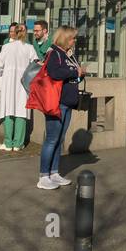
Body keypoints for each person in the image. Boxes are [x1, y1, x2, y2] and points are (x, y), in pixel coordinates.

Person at [32, 26, 83, 190]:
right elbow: (55, 73)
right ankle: (43, 176)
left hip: (67, 101)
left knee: (60, 139)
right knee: (52, 139)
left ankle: (54, 172)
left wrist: (78, 73)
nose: (74, 41)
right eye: (72, 38)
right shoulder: (54, 53)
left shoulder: (68, 54)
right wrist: (74, 71)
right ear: (65, 38)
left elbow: (73, 73)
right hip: (56, 102)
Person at [0, 22, 36, 151]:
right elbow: (35, 64)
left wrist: (3, 73)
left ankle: (8, 143)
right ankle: (18, 144)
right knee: (21, 111)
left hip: (8, 82)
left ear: (15, 32)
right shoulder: (29, 48)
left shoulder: (7, 47)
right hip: (23, 83)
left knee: (8, 111)